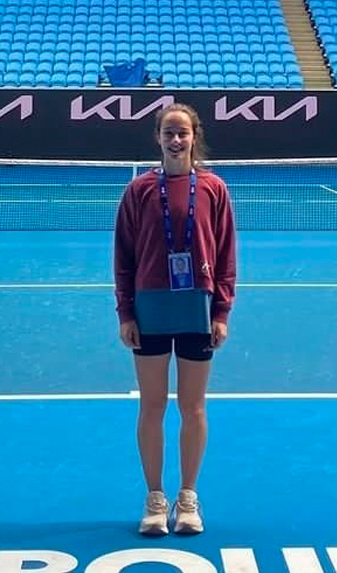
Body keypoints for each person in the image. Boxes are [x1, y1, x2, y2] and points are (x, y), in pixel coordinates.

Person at [112, 103, 237, 536]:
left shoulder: (215, 188)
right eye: (168, 132)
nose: (176, 139)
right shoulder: (139, 190)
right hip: (149, 307)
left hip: (196, 308)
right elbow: (123, 258)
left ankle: (187, 497)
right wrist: (126, 311)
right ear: (158, 137)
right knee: (152, 405)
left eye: (182, 132)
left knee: (192, 406)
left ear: (193, 135)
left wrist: (220, 311)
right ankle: (154, 499)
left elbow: (226, 256)